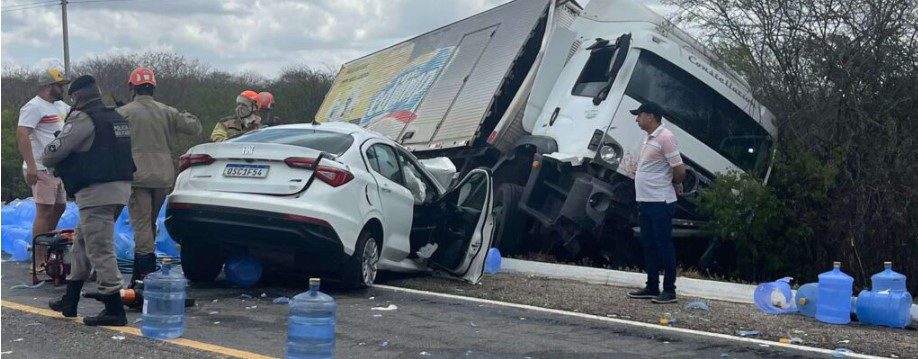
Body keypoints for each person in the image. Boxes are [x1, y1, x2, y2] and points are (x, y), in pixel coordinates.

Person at [44, 75, 135, 326]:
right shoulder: (115, 116)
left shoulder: (84, 118)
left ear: (78, 97)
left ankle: (115, 309)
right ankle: (70, 300)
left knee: (99, 249)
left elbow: (54, 153)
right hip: (120, 188)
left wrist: (52, 145)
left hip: (96, 192)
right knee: (82, 243)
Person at [116, 67, 202, 287]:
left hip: (137, 175)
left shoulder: (124, 112)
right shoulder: (167, 111)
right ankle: (139, 274)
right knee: (149, 224)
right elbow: (194, 127)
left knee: (142, 225)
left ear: (132, 87)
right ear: (153, 87)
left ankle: (144, 275)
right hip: (163, 175)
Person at [626, 102, 685, 304]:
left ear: (651, 116)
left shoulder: (665, 137)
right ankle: (652, 286)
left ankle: (669, 290)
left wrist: (675, 183)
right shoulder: (648, 138)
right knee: (649, 245)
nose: (637, 119)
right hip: (646, 200)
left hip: (661, 201)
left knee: (663, 245)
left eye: (639, 115)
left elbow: (679, 169)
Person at [16, 67, 71, 272]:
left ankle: (49, 245)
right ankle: (38, 259)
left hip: (58, 168)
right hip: (40, 167)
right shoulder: (33, 107)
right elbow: (23, 135)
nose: (63, 89)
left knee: (60, 206)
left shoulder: (60, 106)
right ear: (49, 86)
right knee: (44, 210)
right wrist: (31, 165)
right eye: (60, 85)